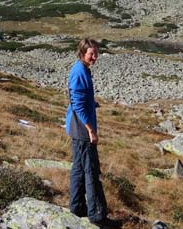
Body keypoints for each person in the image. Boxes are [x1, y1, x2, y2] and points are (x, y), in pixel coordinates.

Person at [65, 38, 118, 228]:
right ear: (82, 53)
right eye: (91, 53)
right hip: (82, 130)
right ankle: (97, 216)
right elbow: (77, 103)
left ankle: (77, 207)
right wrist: (91, 131)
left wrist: (91, 103)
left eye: (96, 53)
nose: (95, 57)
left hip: (76, 127)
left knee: (79, 169)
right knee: (91, 171)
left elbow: (78, 99)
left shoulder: (82, 69)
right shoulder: (79, 72)